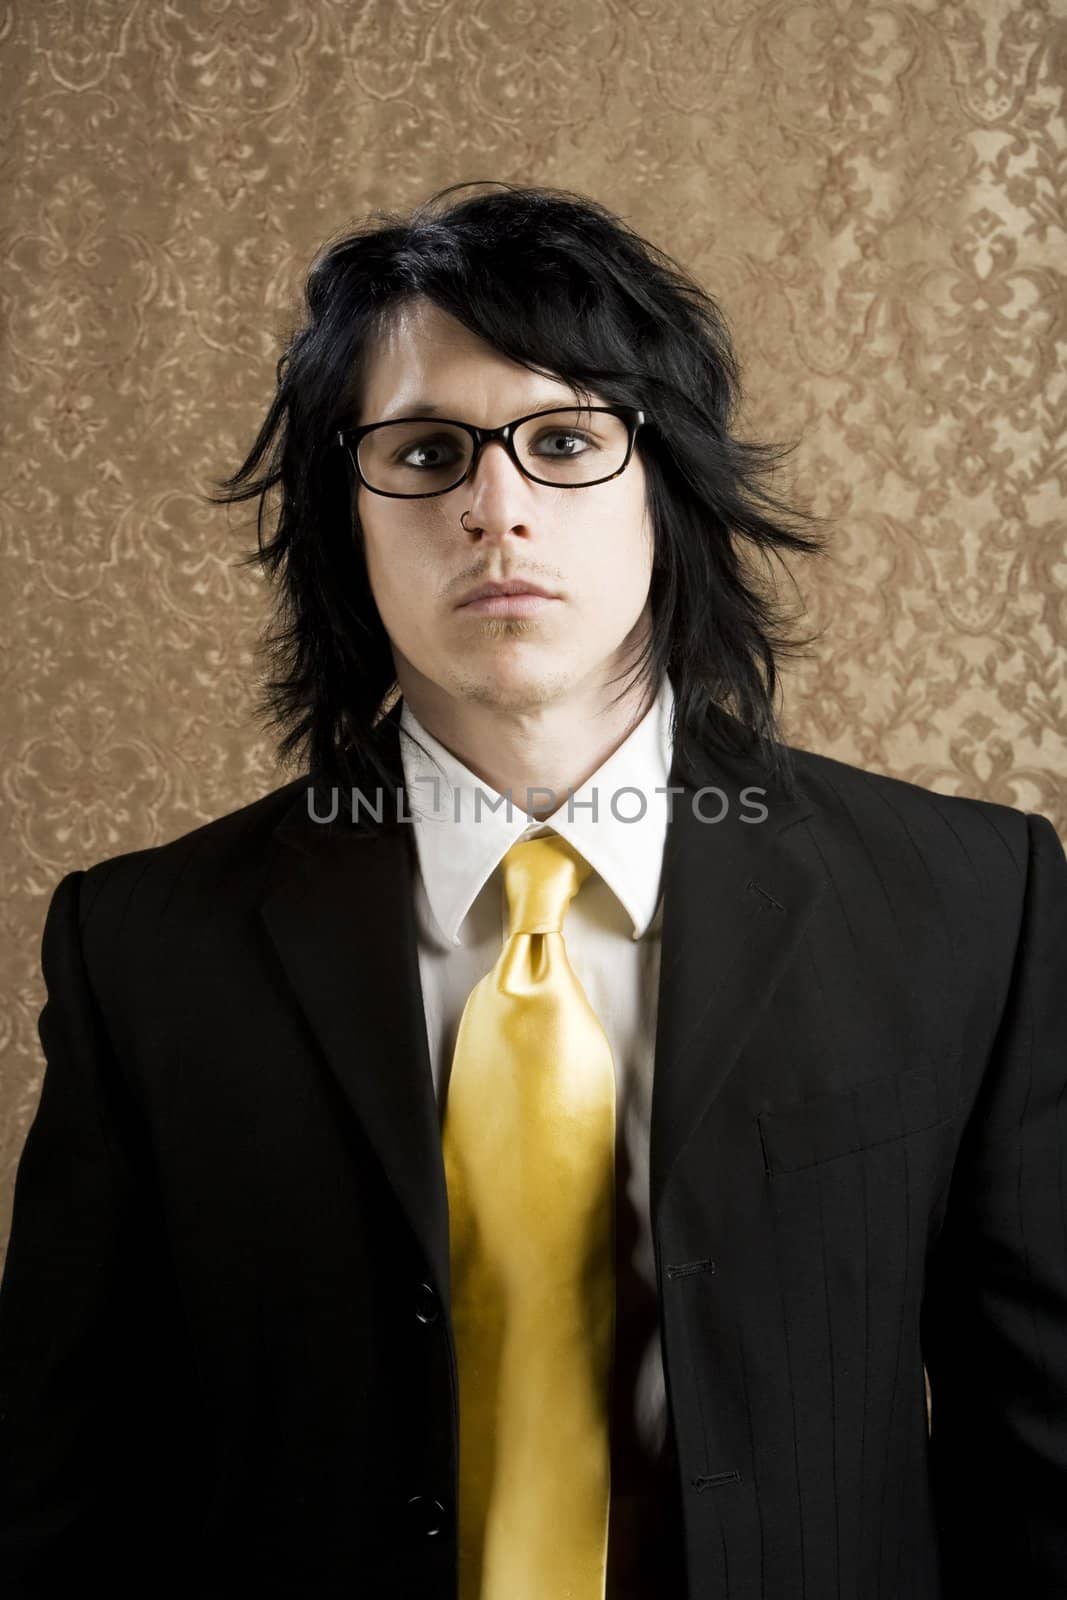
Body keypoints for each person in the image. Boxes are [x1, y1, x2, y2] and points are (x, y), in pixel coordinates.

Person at [0, 182, 1064, 1600]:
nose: (495, 509)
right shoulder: (146, 948)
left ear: (667, 487)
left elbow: (1041, 1473)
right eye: (427, 453)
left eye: (564, 441)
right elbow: (64, 1498)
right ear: (347, 516)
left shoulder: (973, 905)